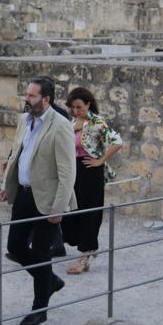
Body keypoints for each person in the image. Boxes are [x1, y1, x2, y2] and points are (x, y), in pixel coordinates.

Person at [0, 78, 77, 325]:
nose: (27, 99)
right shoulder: (24, 120)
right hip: (23, 195)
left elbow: (68, 172)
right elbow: (16, 154)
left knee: (42, 254)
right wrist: (6, 185)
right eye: (27, 95)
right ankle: (50, 281)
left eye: (32, 96)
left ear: (46, 99)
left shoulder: (61, 125)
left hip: (47, 200)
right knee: (15, 247)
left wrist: (59, 207)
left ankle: (39, 309)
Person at [61, 87, 125, 274]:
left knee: (89, 214)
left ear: (88, 104)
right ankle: (85, 251)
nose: (76, 111)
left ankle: (83, 257)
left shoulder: (98, 123)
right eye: (73, 107)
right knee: (72, 211)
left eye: (79, 107)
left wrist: (100, 161)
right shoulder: (73, 122)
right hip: (74, 171)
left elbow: (117, 142)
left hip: (90, 172)